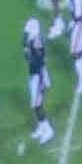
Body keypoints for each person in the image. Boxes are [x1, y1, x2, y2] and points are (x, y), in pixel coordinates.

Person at [20, 13, 55, 143]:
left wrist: (42, 81)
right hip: (34, 75)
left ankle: (48, 130)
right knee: (35, 104)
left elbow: (39, 61)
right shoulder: (32, 40)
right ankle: (41, 127)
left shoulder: (36, 42)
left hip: (39, 76)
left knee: (37, 105)